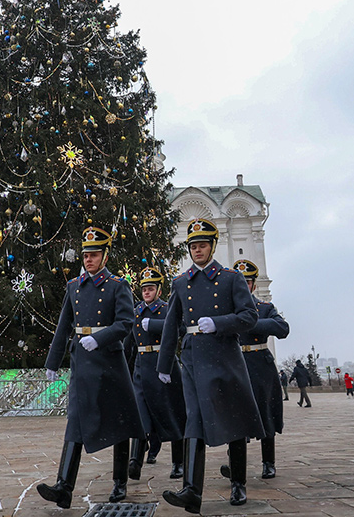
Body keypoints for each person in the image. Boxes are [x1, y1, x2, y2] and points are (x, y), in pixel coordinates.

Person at [157, 218, 264, 512]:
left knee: (234, 420)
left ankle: (238, 484)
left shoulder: (231, 279)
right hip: (193, 359)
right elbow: (171, 327)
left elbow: (249, 317)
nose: (197, 250)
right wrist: (164, 365)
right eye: (193, 246)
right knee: (194, 420)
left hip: (224, 357)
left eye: (202, 245)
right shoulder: (180, 282)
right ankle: (192, 490)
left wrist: (218, 323)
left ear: (212, 246)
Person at [37, 226, 143, 509]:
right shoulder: (74, 286)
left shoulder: (117, 286)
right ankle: (64, 487)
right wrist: (52, 362)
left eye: (94, 255)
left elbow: (125, 323)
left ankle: (119, 482)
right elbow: (63, 326)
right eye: (86, 255)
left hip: (109, 361)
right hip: (82, 363)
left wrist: (99, 338)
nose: (89, 259)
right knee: (77, 421)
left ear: (105, 256)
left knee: (119, 422)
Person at [222, 259, 289, 480]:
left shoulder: (264, 308)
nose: (244, 286)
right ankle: (235, 464)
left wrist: (249, 323)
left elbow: (281, 328)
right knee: (235, 417)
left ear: (253, 285)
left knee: (266, 412)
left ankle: (268, 462)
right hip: (236, 363)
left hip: (261, 364)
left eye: (247, 282)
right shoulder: (226, 310)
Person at [124, 266, 186, 481]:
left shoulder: (168, 309)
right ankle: (134, 462)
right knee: (140, 416)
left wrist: (157, 325)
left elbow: (182, 328)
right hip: (141, 368)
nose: (147, 293)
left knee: (173, 415)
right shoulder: (136, 311)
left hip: (164, 366)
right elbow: (129, 343)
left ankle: (178, 463)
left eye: (151, 289)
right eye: (144, 289)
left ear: (159, 290)